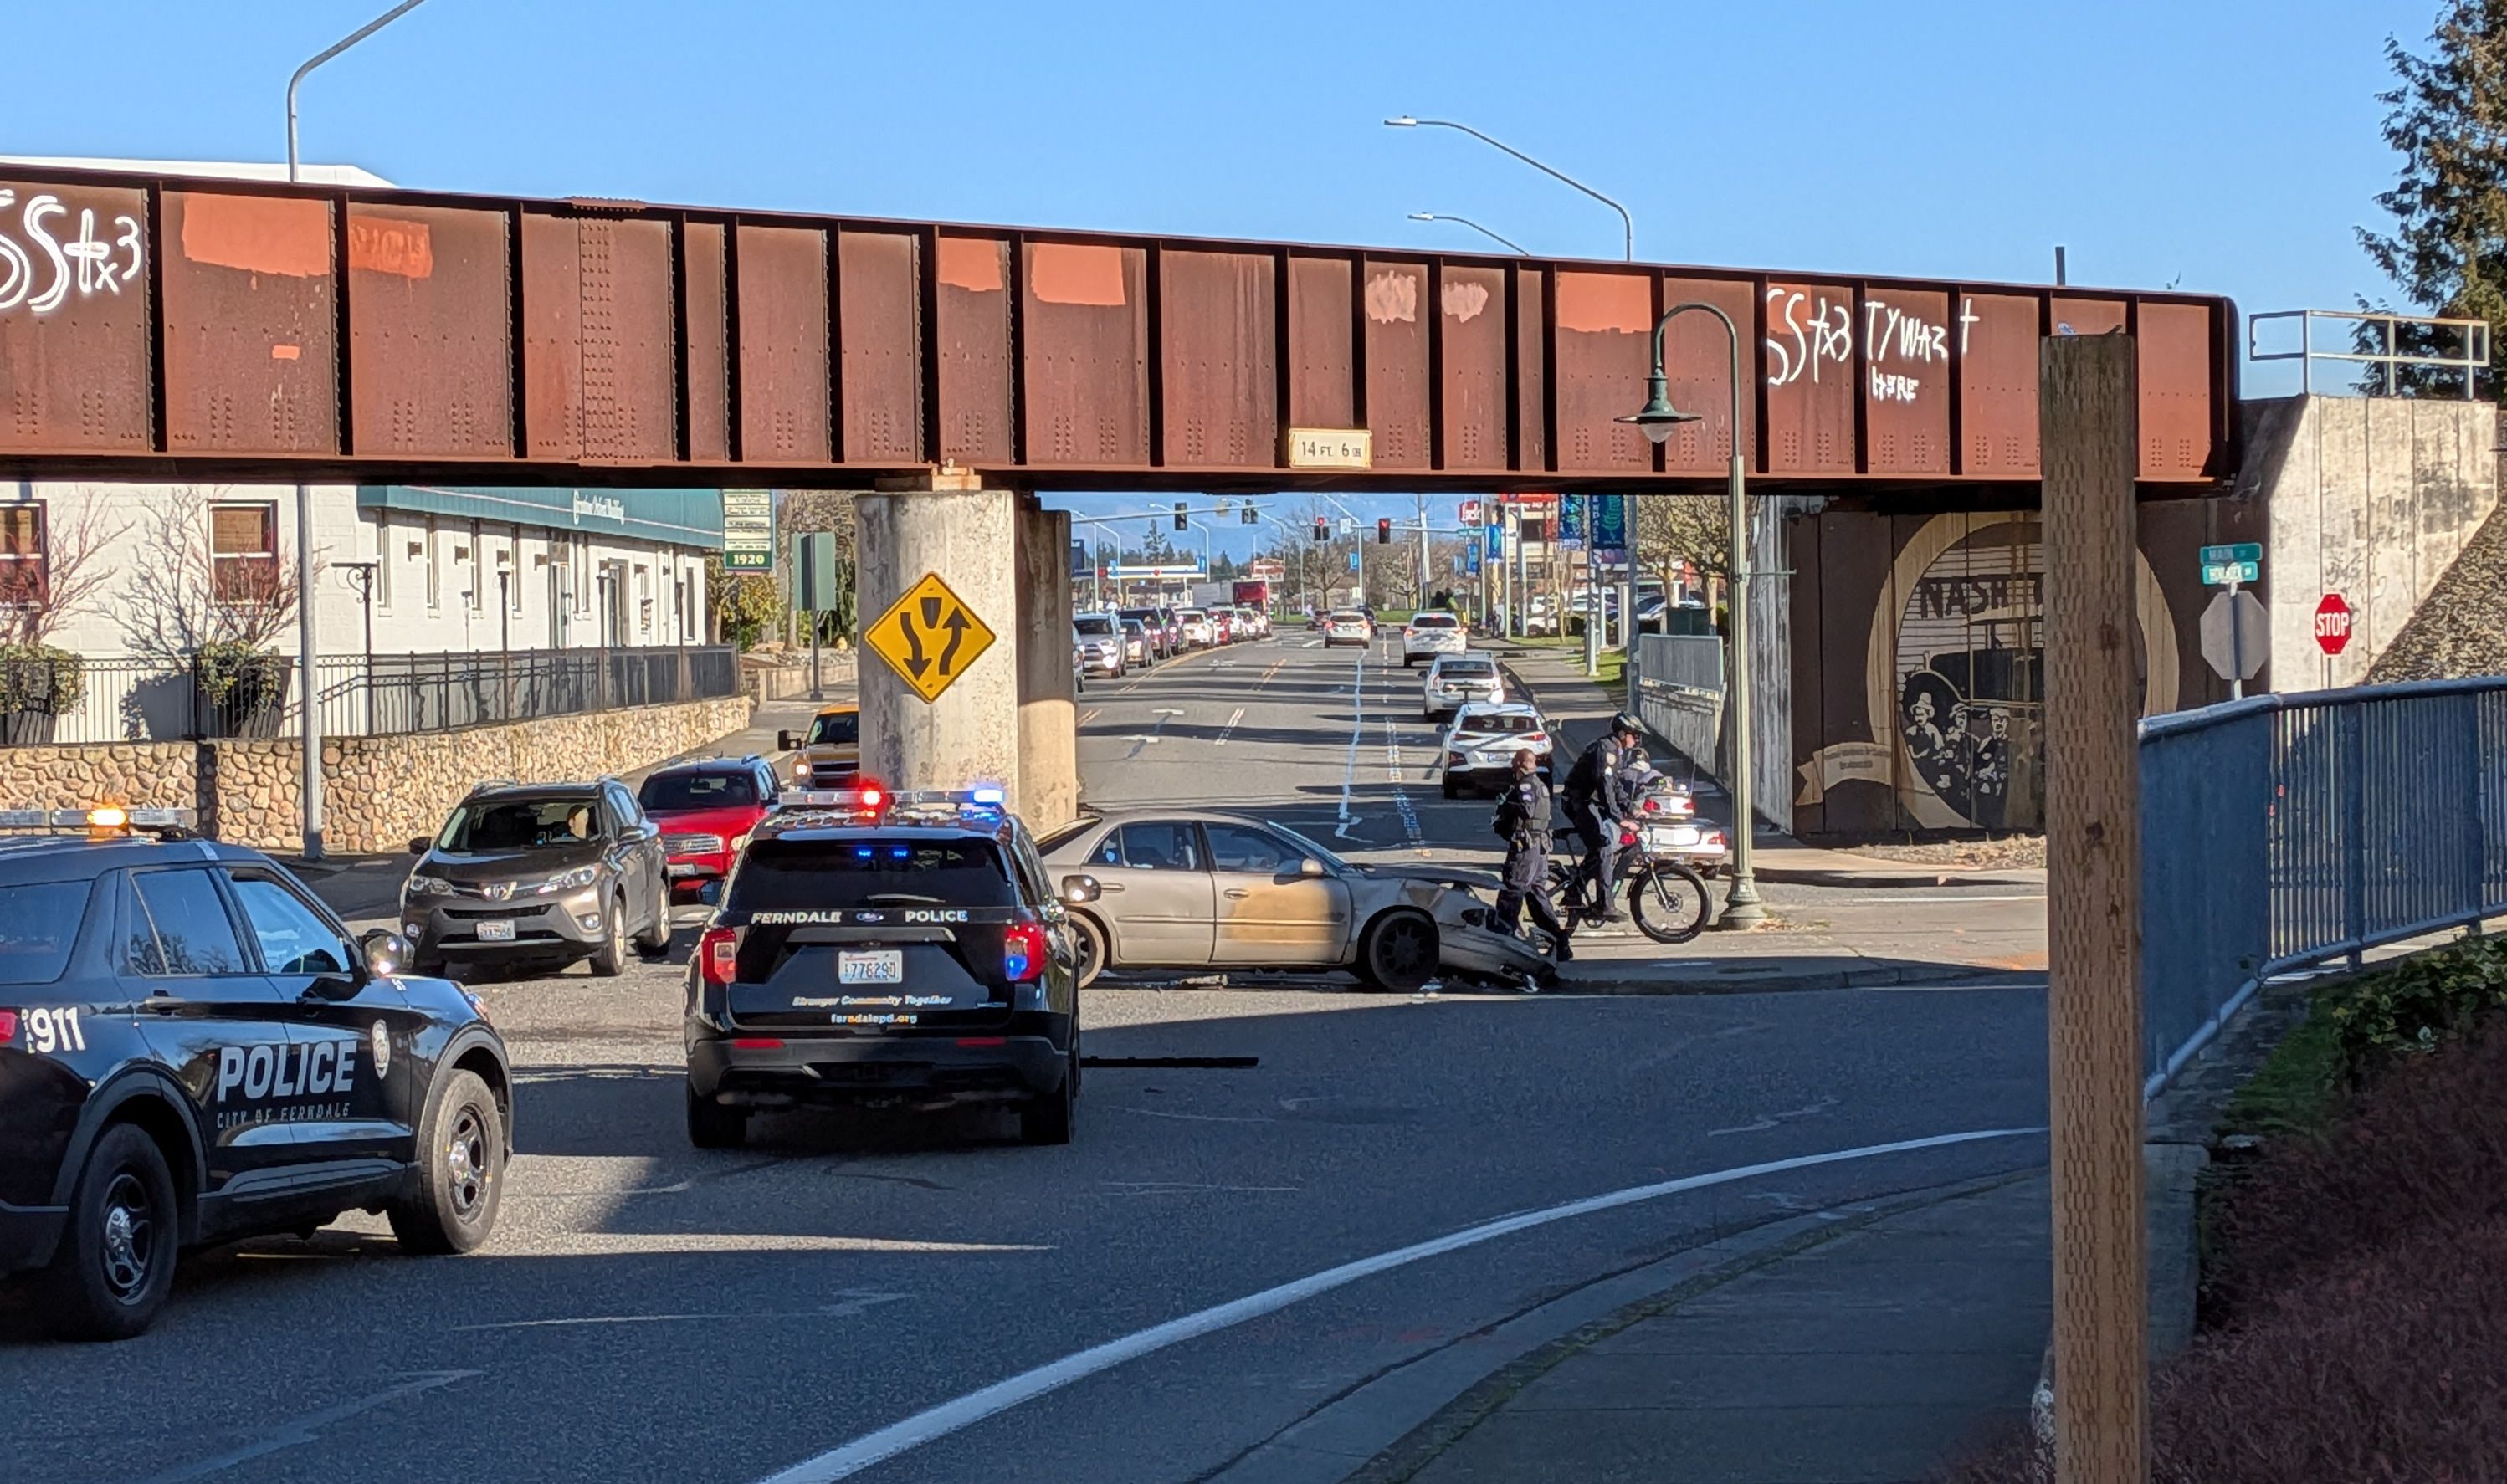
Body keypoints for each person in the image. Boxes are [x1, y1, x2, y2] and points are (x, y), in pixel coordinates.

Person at [1560, 713, 1644, 922]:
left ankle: (1574, 891)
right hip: (1578, 802)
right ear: (1622, 733)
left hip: (1589, 802)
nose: (1636, 740)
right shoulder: (1606, 750)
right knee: (1604, 846)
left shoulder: (1616, 750)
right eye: (1634, 735)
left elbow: (1615, 786)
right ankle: (1604, 905)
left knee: (1599, 850)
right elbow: (1605, 788)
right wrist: (1620, 819)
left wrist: (1632, 809)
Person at [1492, 747, 1570, 961]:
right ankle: (1560, 941)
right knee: (1537, 896)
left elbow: (1526, 810)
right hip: (1540, 848)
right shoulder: (1541, 785)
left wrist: (1506, 806)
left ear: (1518, 765)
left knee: (1512, 891)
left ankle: (1503, 942)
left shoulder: (1526, 785)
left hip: (1526, 849)